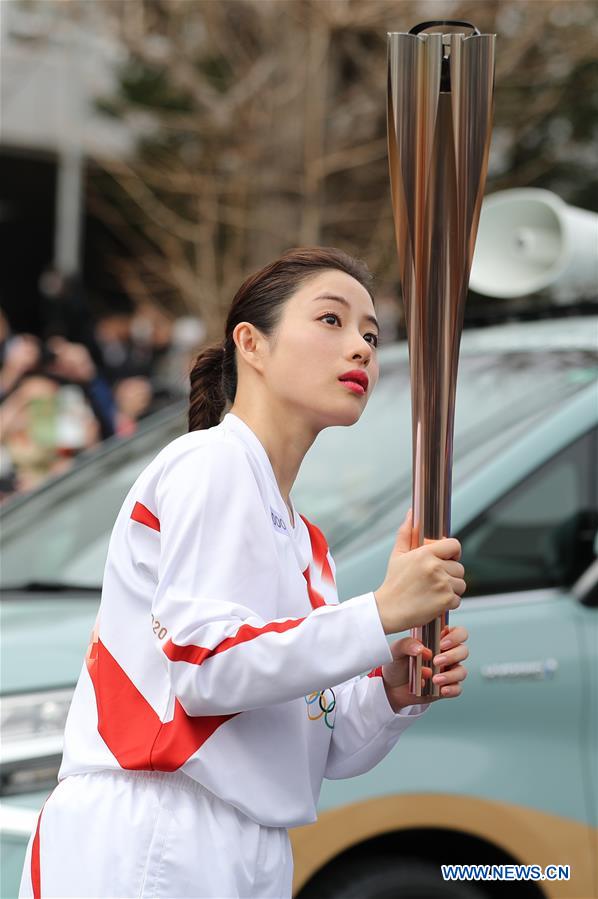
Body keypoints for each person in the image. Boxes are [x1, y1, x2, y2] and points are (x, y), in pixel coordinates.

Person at [18, 247, 469, 899]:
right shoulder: (211, 463)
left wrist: (393, 691)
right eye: (331, 321)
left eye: (371, 333)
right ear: (251, 344)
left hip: (247, 842)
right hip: (157, 826)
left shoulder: (307, 542)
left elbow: (322, 744)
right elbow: (207, 670)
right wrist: (378, 613)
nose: (361, 348)